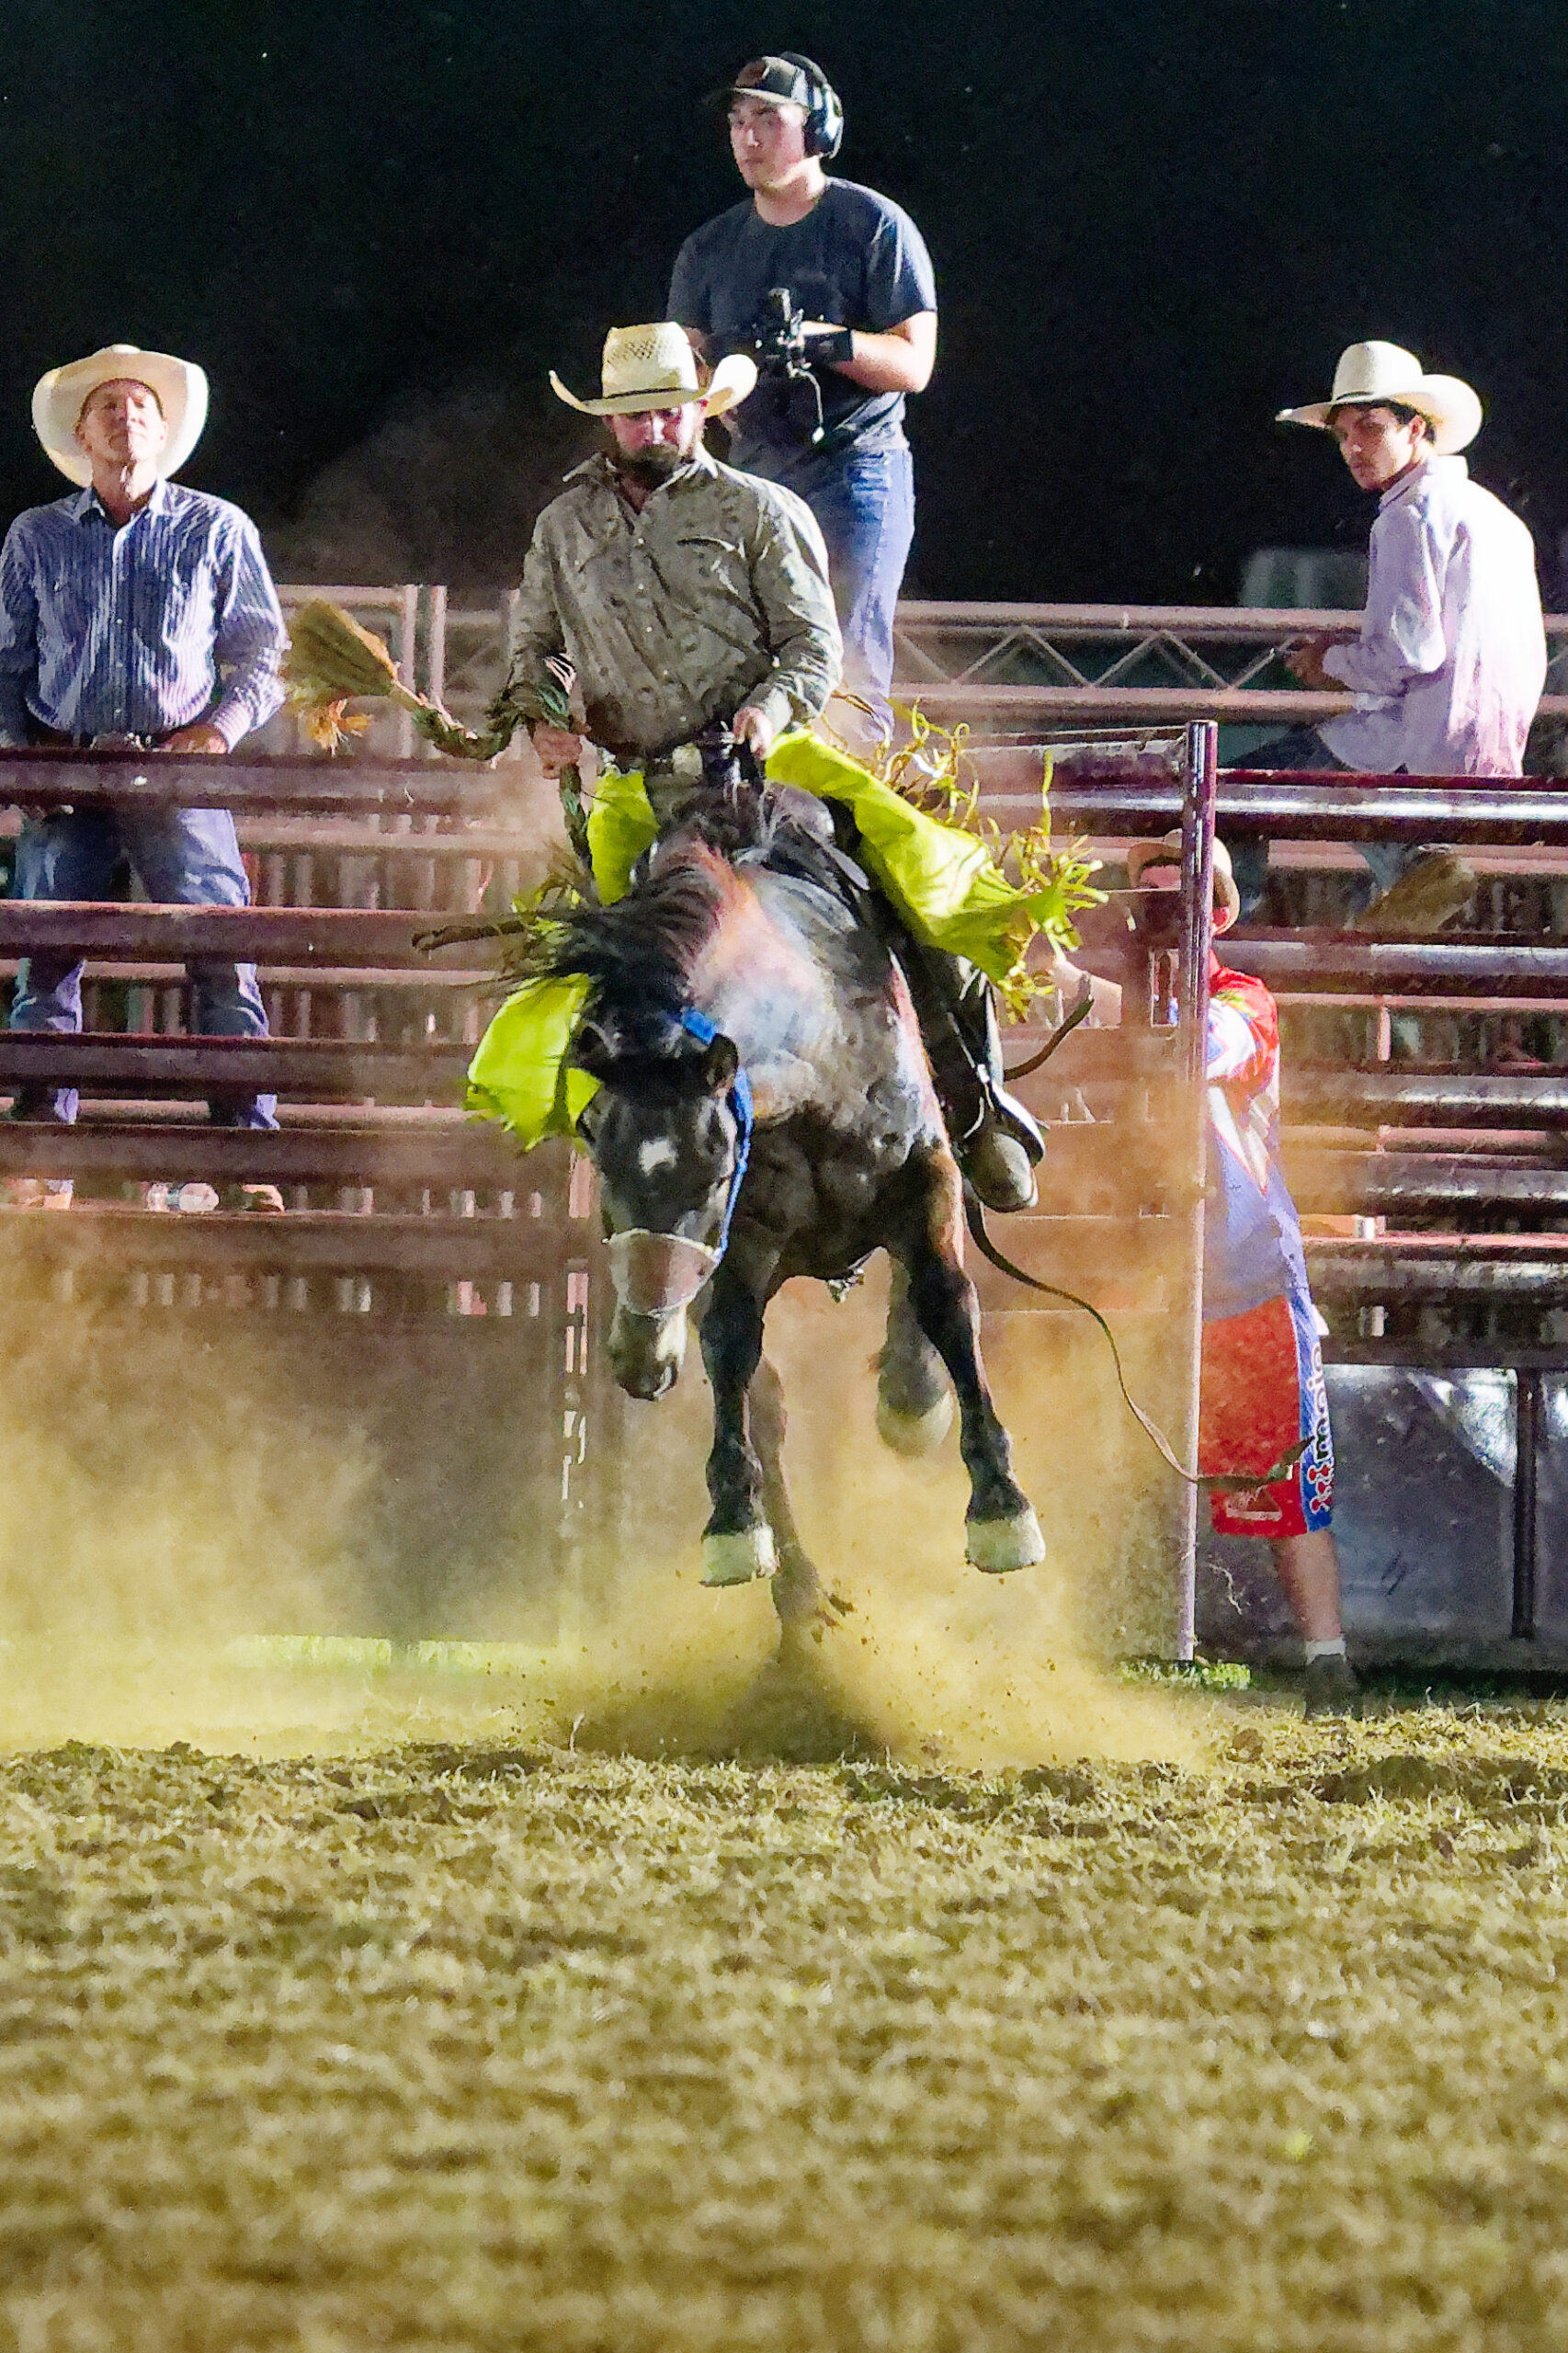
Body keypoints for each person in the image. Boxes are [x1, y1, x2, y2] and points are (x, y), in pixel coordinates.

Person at [495, 322, 1041, 1210]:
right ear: (610, 421)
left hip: (771, 769)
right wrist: (544, 715)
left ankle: (977, 1105)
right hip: (642, 786)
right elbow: (536, 649)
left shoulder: (759, 510)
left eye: (670, 411)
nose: (655, 428)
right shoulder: (564, 527)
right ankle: (608, 1150)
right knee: (589, 959)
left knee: (917, 883)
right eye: (636, 414)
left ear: (700, 411)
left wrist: (770, 708)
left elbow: (812, 647)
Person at [0, 343, 288, 1206]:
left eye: (141, 408)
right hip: (70, 764)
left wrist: (217, 730)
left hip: (175, 765)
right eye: (109, 407)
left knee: (220, 952)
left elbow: (262, 656)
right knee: (47, 960)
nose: (127, 416)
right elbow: (6, 661)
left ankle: (245, 1156)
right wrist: (23, 757)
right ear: (83, 437)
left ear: (163, 434)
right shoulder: (36, 535)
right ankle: (41, 1159)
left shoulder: (218, 528)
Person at [1128, 832, 1359, 1717]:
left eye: (1178, 900)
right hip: (1134, 1288)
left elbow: (1202, 1049)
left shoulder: (1242, 1001)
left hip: (1244, 1279)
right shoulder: (1115, 1001)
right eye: (1148, 901)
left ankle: (1328, 1662)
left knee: (1288, 1485)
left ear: (1217, 915)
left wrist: (1086, 991)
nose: (1160, 917)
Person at [1235, 340, 1546, 930]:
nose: (1353, 447)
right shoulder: (1495, 515)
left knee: (1237, 794)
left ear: (1415, 428)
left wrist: (1331, 663)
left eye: (1370, 429)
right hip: (1491, 752)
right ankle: (1413, 866)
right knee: (1329, 774)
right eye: (1343, 434)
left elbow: (1411, 653)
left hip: (1416, 741)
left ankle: (1230, 938)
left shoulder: (1408, 513)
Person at [668, 54, 937, 728]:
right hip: (751, 479)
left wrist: (824, 342)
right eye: (737, 121)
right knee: (744, 671)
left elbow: (915, 365)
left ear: (818, 130)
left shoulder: (874, 225)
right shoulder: (708, 248)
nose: (748, 137)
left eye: (768, 118)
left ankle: (847, 791)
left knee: (846, 673)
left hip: (855, 473)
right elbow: (684, 375)